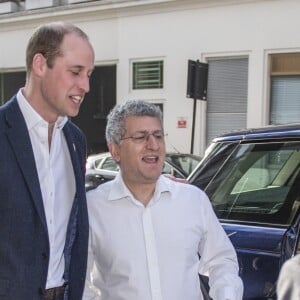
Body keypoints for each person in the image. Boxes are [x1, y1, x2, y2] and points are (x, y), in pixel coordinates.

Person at [83, 100, 244, 300]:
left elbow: (222, 260)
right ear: (115, 150)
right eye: (141, 137)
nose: (154, 145)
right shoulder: (92, 208)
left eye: (158, 136)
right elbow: (80, 284)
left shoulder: (193, 201)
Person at [0, 22, 94, 300]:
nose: (86, 85)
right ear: (40, 65)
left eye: (89, 74)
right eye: (76, 72)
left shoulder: (75, 140)